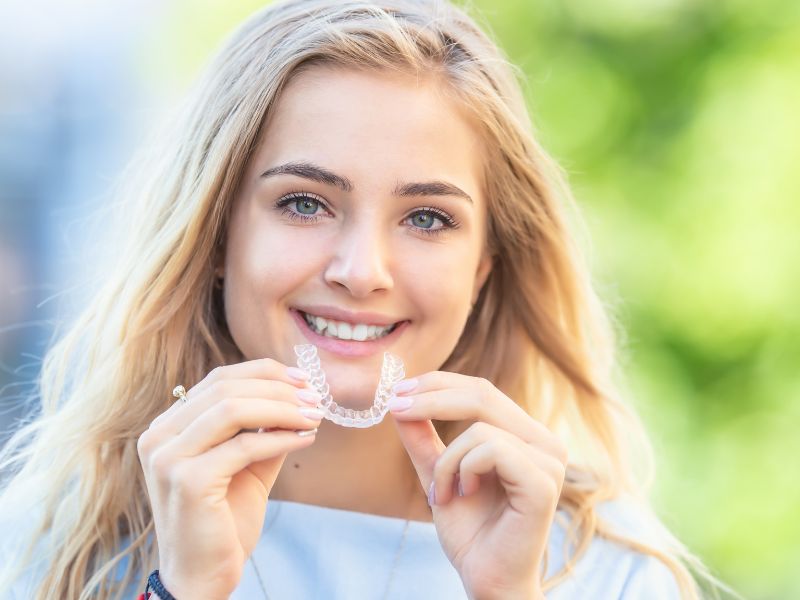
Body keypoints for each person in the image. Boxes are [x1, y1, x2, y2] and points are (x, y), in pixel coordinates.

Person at [0, 1, 733, 598]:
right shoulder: (48, 543)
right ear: (217, 235)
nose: (361, 271)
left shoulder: (607, 571)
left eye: (426, 218)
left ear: (484, 267)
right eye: (305, 203)